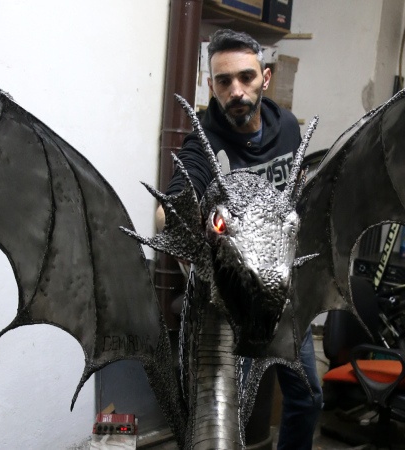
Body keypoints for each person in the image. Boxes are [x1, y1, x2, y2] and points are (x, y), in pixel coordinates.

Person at [157, 28, 322, 450]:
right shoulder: (204, 142)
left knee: (307, 397)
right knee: (234, 419)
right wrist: (193, 223)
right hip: (236, 302)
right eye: (223, 80)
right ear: (210, 85)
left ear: (265, 78)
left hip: (284, 289)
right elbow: (168, 211)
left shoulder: (287, 126)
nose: (236, 90)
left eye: (246, 77)